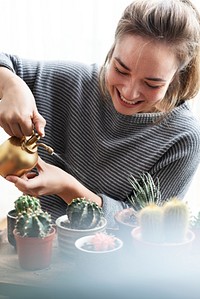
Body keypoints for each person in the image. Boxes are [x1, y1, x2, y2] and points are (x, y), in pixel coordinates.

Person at [0, 0, 200, 228]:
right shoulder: (74, 83)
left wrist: (69, 189)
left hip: (112, 262)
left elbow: (147, 231)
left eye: (152, 83)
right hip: (35, 248)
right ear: (112, 50)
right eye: (120, 70)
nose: (129, 92)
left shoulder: (183, 138)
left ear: (176, 76)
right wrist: (11, 85)